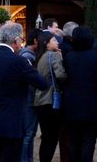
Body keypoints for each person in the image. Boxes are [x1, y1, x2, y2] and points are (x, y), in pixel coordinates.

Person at [0, 22, 48, 162]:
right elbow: (42, 84)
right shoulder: (20, 61)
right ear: (16, 40)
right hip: (12, 123)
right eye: (21, 40)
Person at [62, 26, 97, 162]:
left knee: (73, 142)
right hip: (92, 105)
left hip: (71, 105)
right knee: (89, 142)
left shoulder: (69, 57)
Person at [34, 31, 66, 162]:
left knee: (46, 137)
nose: (57, 42)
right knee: (52, 138)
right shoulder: (54, 56)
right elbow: (61, 75)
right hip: (52, 101)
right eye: (54, 40)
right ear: (46, 44)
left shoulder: (40, 57)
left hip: (40, 101)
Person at [20, 28, 40, 162]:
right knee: (27, 134)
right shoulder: (27, 56)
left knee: (30, 134)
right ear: (35, 41)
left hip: (29, 98)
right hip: (28, 98)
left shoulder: (28, 55)